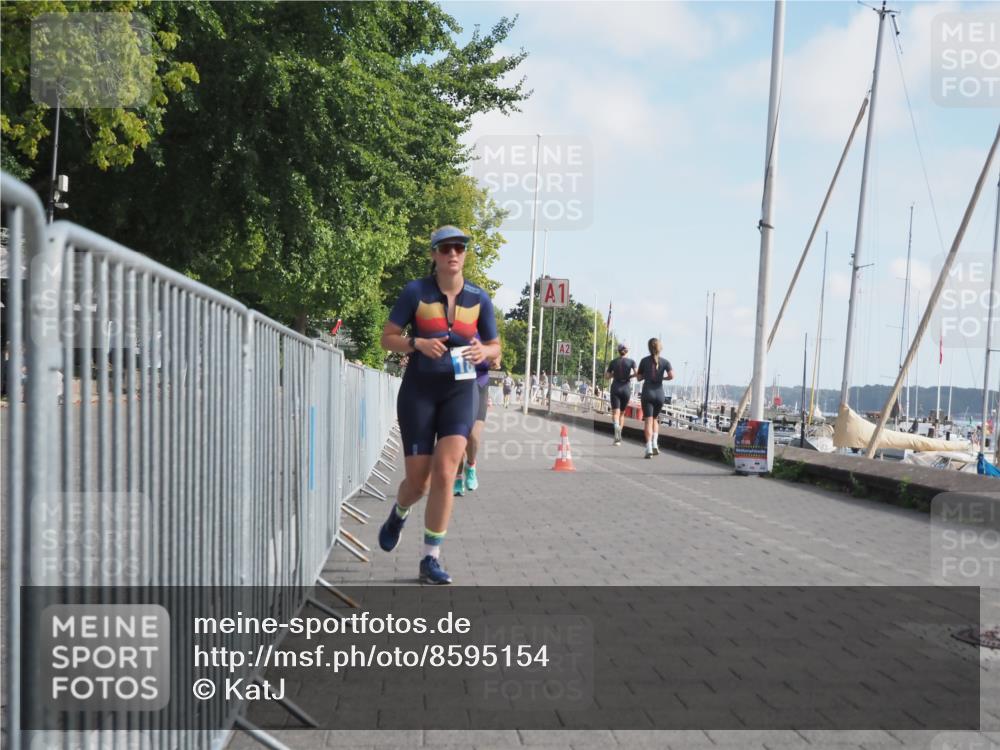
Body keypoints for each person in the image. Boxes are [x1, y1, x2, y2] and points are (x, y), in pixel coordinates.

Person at [378, 225, 501, 584]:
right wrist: (415, 343)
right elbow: (387, 338)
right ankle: (399, 513)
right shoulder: (415, 292)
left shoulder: (479, 299)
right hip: (419, 391)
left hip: (460, 391)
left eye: (459, 248)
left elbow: (495, 348)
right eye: (446, 248)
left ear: (464, 254)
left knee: (447, 472)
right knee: (419, 483)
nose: (453, 254)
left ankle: (430, 558)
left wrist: (485, 351)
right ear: (433, 254)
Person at [456, 349, 498, 496]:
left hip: (480, 384)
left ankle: (471, 465)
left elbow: (496, 349)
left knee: (473, 435)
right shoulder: (453, 328)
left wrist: (495, 360)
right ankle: (457, 477)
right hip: (458, 384)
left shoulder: (484, 327)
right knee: (459, 434)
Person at [636, 337, 674, 459]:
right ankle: (654, 444)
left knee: (648, 420)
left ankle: (648, 448)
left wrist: (644, 375)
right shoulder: (665, 362)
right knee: (655, 419)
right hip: (659, 394)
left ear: (649, 348)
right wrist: (661, 378)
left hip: (648, 393)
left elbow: (639, 378)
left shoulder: (644, 361)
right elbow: (672, 376)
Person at [605, 344, 636, 445]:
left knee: (615, 413)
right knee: (622, 414)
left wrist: (614, 374)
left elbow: (607, 376)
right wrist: (629, 376)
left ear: (618, 351)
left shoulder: (613, 362)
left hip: (616, 387)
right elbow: (637, 373)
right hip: (626, 388)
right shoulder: (631, 362)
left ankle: (616, 433)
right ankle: (619, 435)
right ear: (627, 351)